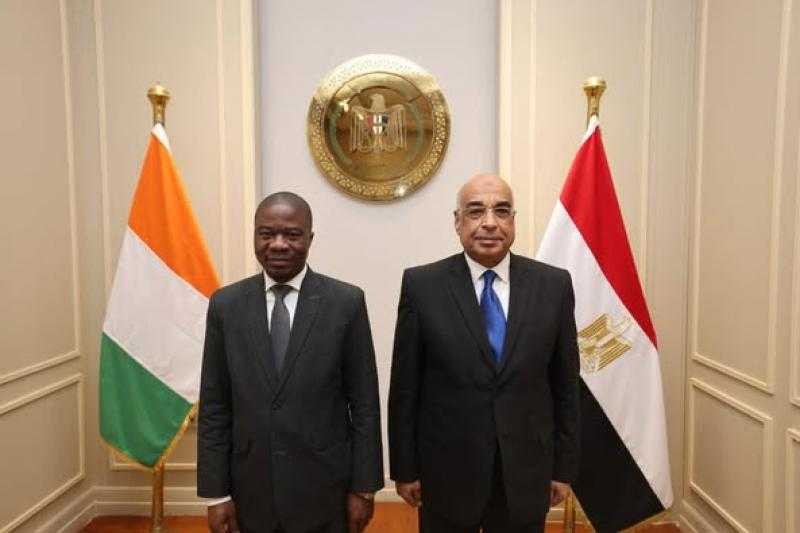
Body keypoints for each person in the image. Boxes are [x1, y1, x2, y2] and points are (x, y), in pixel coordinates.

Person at [388, 174, 580, 533]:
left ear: (513, 220)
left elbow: (566, 386)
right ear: (457, 221)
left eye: (501, 211)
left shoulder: (553, 285)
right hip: (445, 472)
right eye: (476, 212)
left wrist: (564, 468)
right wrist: (405, 468)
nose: (490, 223)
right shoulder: (422, 286)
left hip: (526, 471)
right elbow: (405, 389)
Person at [198, 192, 384, 533]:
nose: (279, 244)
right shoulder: (226, 305)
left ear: (310, 238)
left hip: (325, 489)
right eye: (267, 234)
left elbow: (365, 405)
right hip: (249, 489)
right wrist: (215, 494)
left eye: (292, 234)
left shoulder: (346, 303)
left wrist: (364, 488)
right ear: (255, 236)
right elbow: (215, 405)